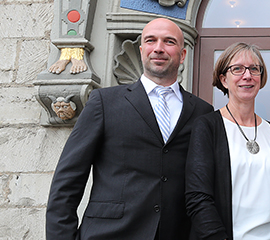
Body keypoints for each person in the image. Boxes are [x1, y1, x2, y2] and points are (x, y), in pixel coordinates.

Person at [45, 18, 213, 240]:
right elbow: (67, 180)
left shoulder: (202, 111)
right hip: (108, 233)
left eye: (169, 41)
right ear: (142, 50)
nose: (159, 48)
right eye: (151, 41)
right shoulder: (104, 102)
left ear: (182, 54)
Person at [185, 42, 270, 240]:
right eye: (238, 69)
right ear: (224, 79)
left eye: (254, 69)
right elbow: (197, 197)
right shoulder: (207, 127)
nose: (247, 75)